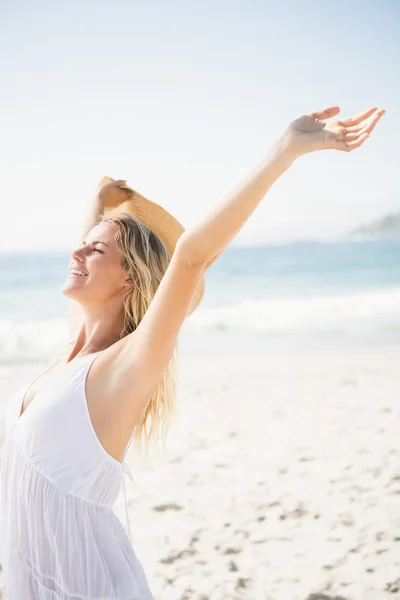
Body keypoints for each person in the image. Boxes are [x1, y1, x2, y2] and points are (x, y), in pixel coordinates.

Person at [0, 105, 385, 599]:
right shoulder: (72, 356)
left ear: (130, 278)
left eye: (95, 251)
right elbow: (92, 249)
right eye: (83, 244)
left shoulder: (123, 366)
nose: (76, 253)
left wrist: (285, 150)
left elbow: (192, 256)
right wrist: (100, 205)